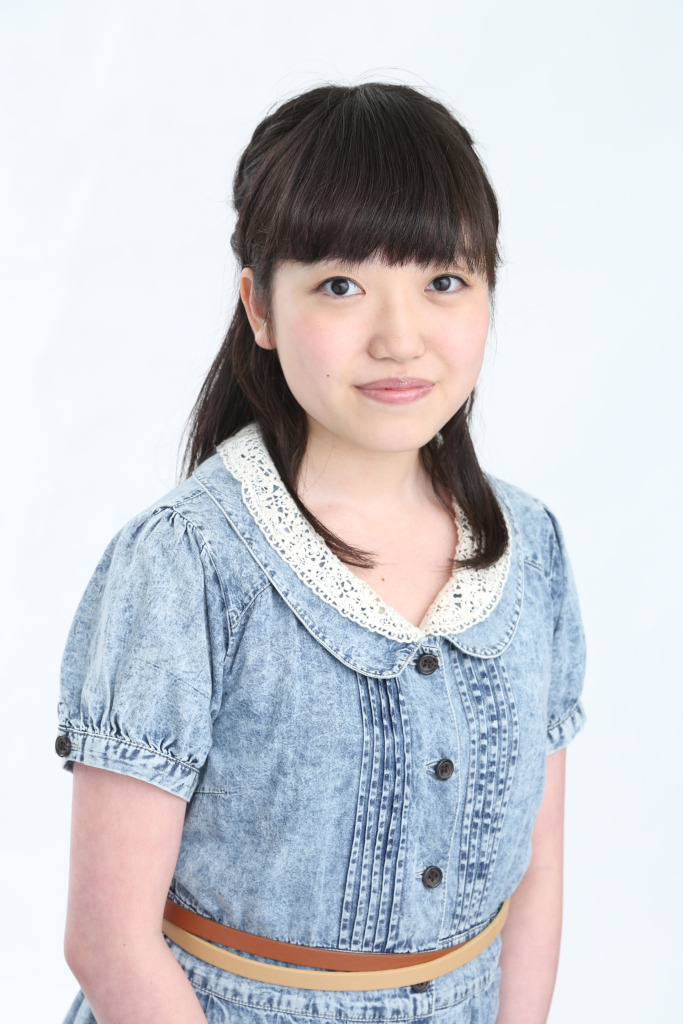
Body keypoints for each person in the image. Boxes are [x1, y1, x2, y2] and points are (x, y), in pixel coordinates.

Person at [56, 82, 586, 1024]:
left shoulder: (528, 546)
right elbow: (108, 941)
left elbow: (536, 873)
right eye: (340, 285)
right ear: (259, 308)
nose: (399, 338)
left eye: (443, 281)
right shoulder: (187, 564)